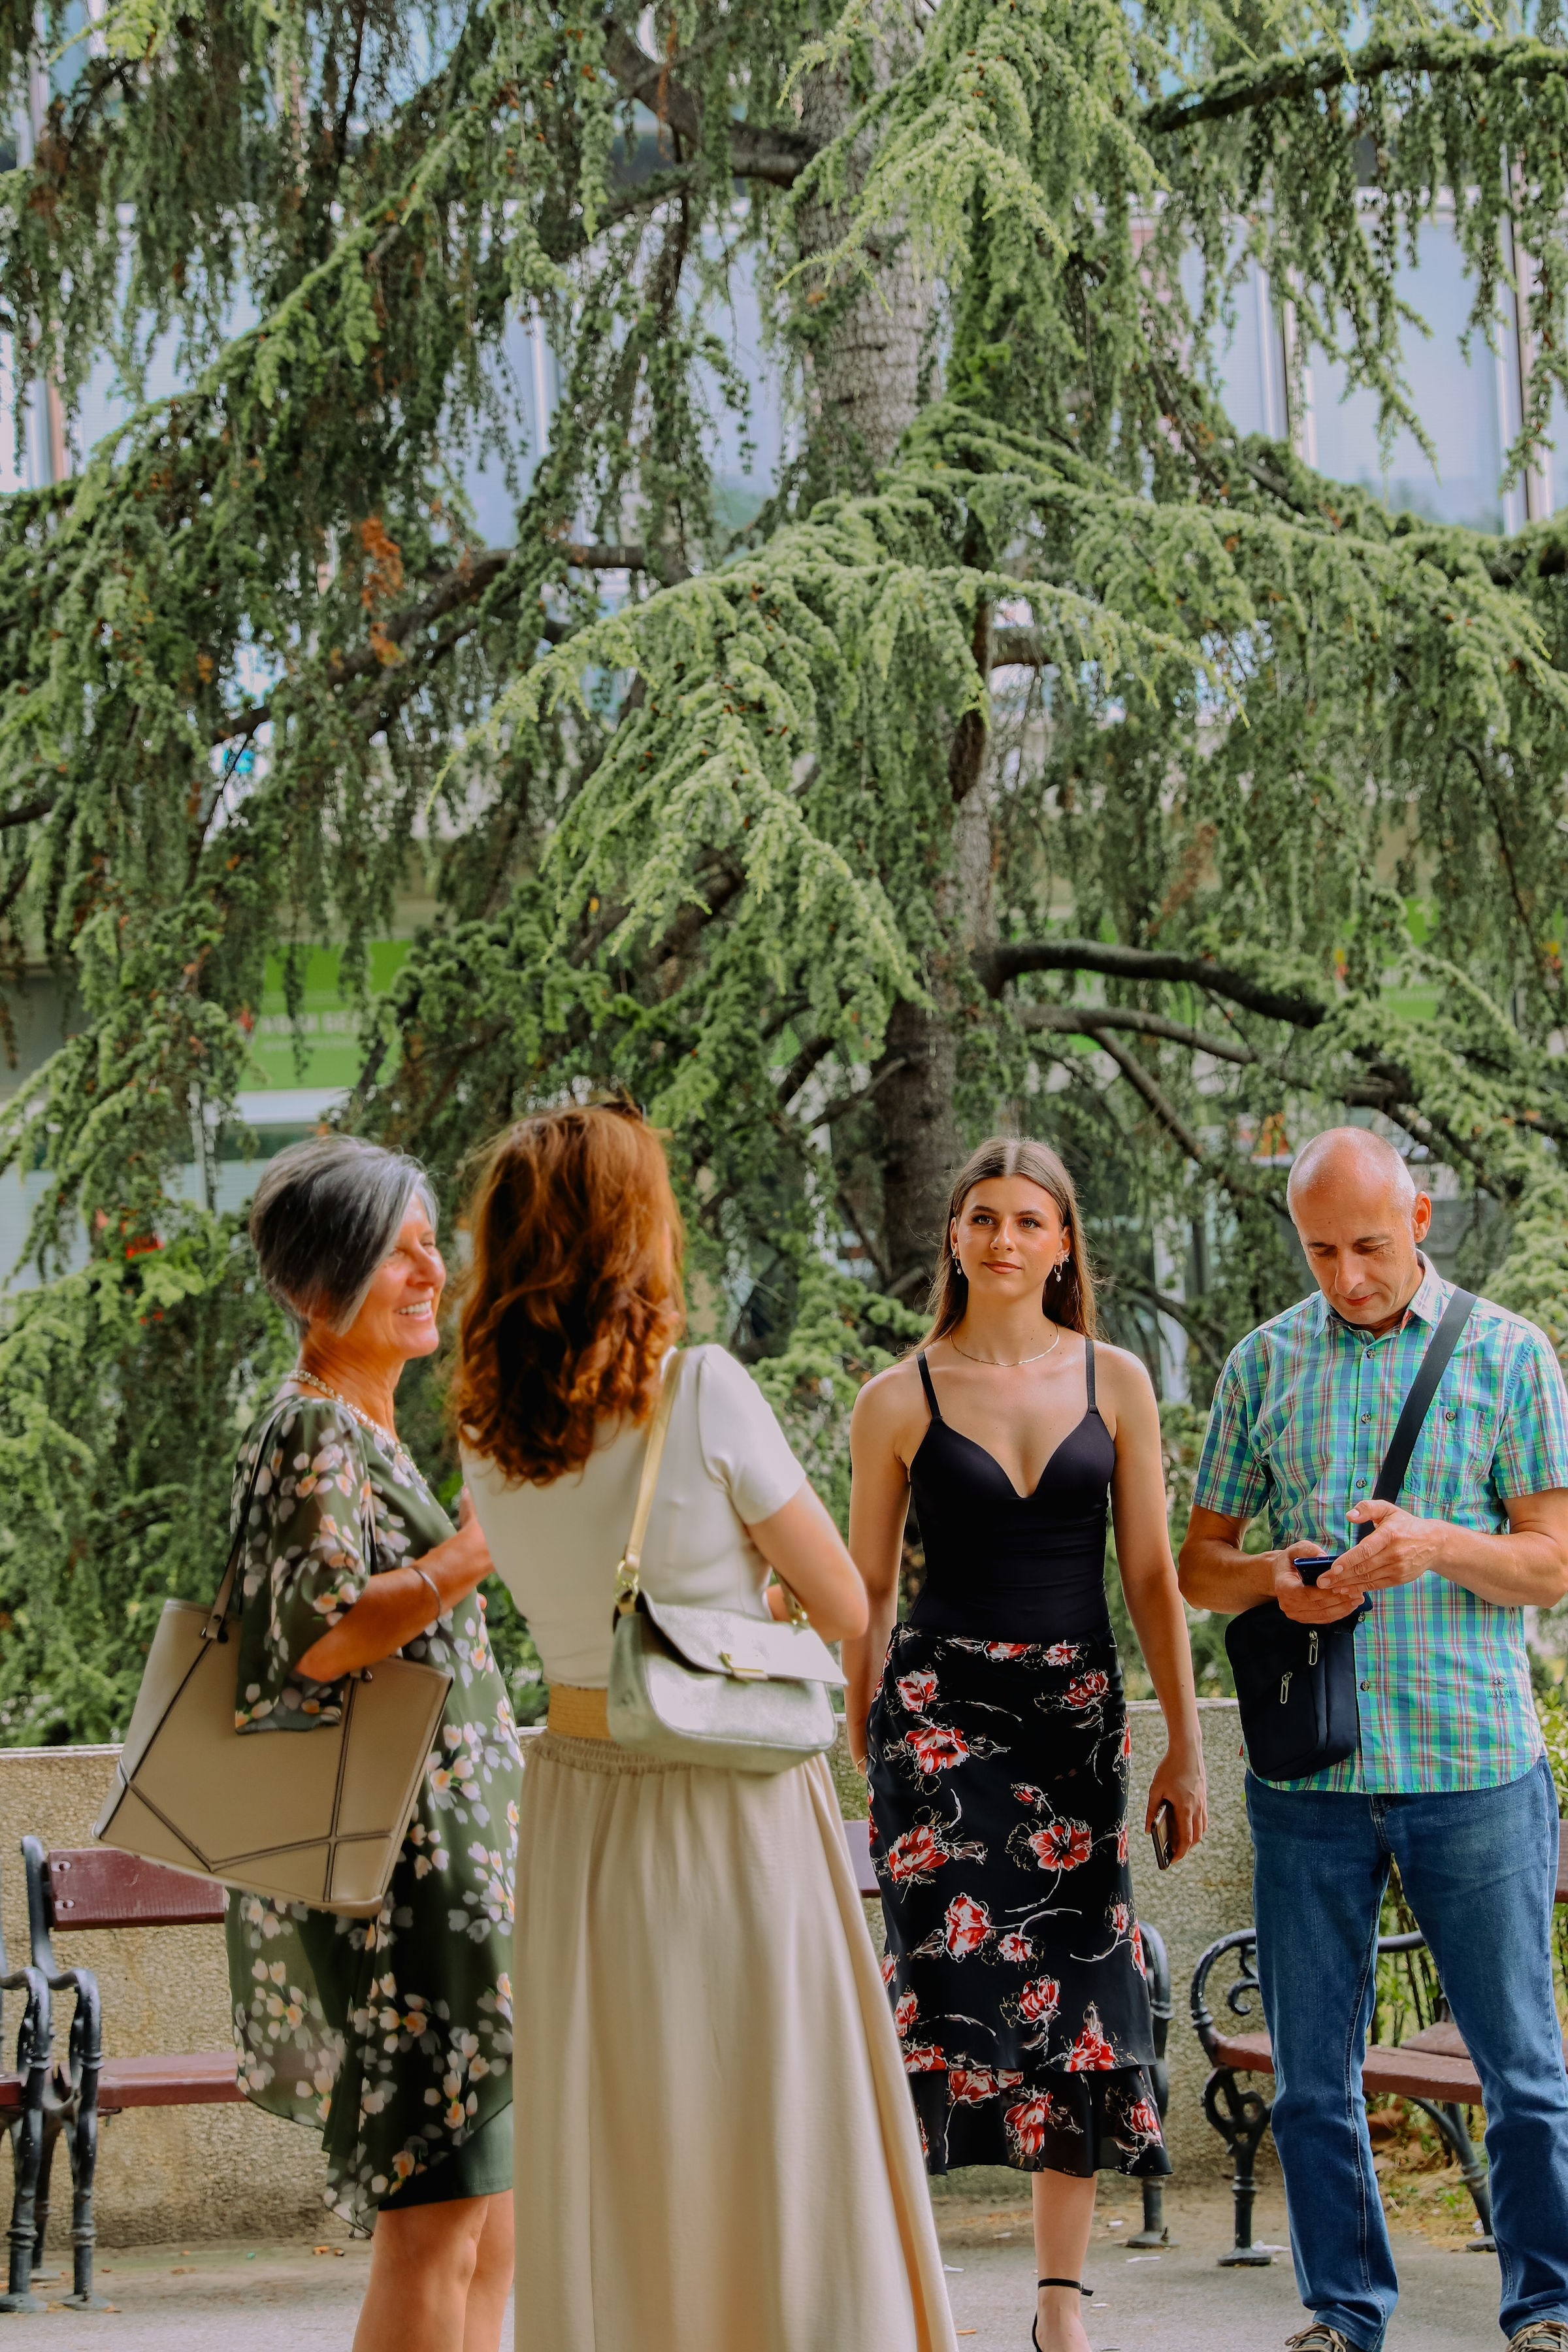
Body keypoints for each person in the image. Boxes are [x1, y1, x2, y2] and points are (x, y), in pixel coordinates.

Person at [454, 1101, 958, 2352]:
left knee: (622, 2134)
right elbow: (848, 1601)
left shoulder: (481, 1432)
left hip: (579, 1799)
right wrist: (748, 1587)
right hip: (726, 1799)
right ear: (635, 1233)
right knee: (769, 2112)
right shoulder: (702, 1390)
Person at [1179, 1125, 1568, 2352]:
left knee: (1526, 2074)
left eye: (1370, 1245)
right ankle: (1346, 2315)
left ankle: (1548, 2306)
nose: (1347, 1275)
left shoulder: (1511, 1356)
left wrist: (1436, 1543)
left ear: (1423, 1220)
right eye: (1321, 1249)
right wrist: (1274, 1581)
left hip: (1474, 1768)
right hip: (1314, 1779)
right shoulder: (1260, 1365)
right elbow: (1199, 1569)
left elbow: (1553, 1561)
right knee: (1308, 2083)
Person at [845, 1134, 1207, 2352]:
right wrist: (865, 1722)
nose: (1005, 1239)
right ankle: (901, 2284)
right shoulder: (898, 1396)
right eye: (983, 1217)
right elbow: (869, 1593)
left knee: (1083, 2003)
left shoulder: (1119, 1380)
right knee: (932, 1992)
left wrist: (1185, 1741)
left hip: (1073, 1726)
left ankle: (1060, 2307)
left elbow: (1152, 1577)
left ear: (1064, 1244)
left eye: (1030, 1221)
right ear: (954, 1234)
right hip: (940, 1734)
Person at [228, 1136, 522, 2352]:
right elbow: (321, 1637)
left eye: (425, 1248)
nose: (431, 1273)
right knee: (438, 2221)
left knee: (490, 2220)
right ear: (317, 1289)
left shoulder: (364, 1430)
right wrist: (471, 1548)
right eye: (398, 1253)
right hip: (411, 1885)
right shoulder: (312, 1431)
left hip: (459, 1873)